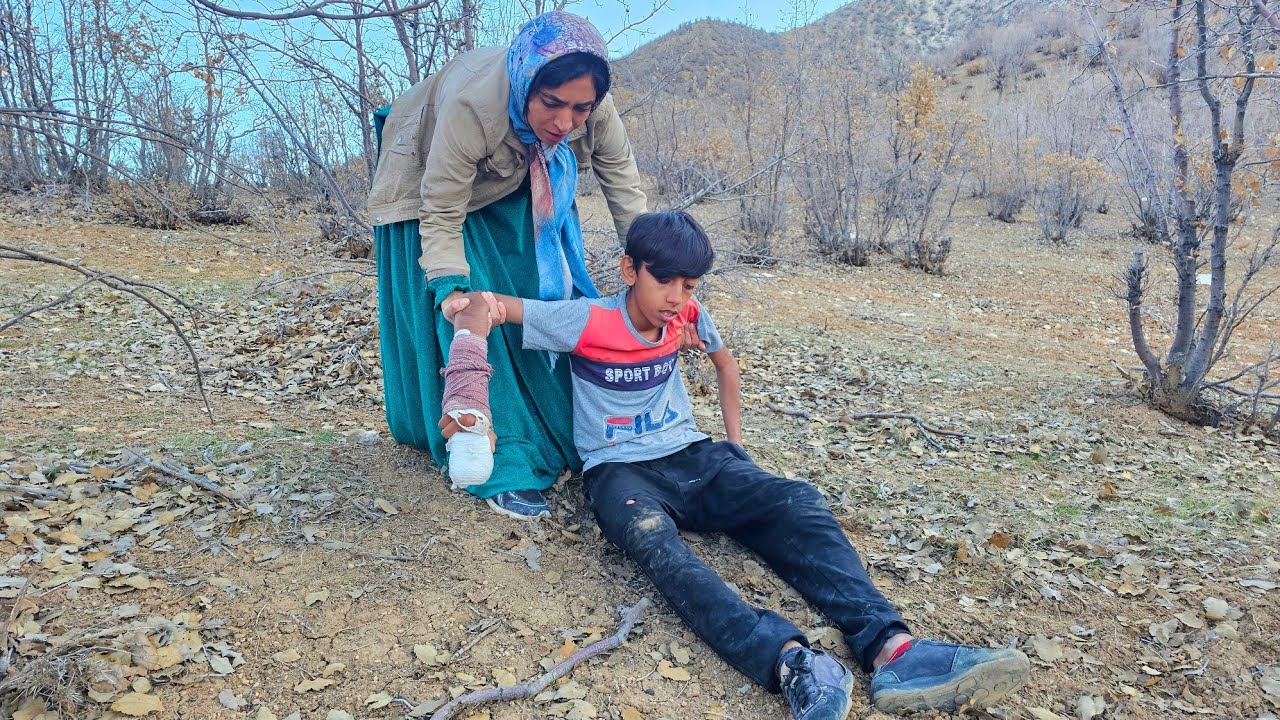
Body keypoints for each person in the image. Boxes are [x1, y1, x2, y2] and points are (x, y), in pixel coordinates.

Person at [445, 210, 1031, 719]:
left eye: (688, 282)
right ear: (630, 271)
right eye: (664, 279)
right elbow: (490, 307)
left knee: (796, 499)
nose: (676, 295)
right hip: (620, 471)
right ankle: (790, 662)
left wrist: (736, 447)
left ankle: (893, 650)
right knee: (656, 544)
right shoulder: (587, 320)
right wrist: (466, 353)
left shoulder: (690, 315)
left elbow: (728, 369)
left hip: (695, 455)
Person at [367, 11, 649, 519]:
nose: (565, 123)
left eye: (580, 108)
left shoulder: (594, 111)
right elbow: (441, 208)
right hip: (427, 184)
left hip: (514, 186)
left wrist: (654, 265)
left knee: (531, 304)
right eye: (551, 103)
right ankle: (496, 453)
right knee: (472, 307)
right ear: (526, 82)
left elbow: (624, 187)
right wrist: (450, 286)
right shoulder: (473, 108)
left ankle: (555, 428)